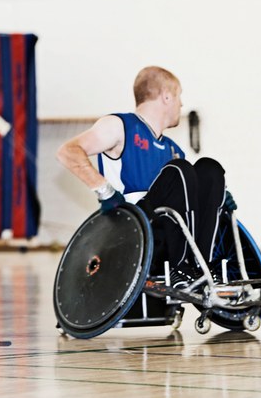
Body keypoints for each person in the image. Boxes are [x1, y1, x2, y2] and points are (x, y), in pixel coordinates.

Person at [56, 66, 236, 286]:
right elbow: (67, 151)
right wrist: (104, 190)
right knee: (180, 170)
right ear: (167, 96)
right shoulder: (120, 126)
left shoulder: (173, 149)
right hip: (133, 232)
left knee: (210, 169)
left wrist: (218, 195)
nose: (181, 104)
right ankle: (182, 266)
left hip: (170, 232)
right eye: (179, 97)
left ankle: (201, 267)